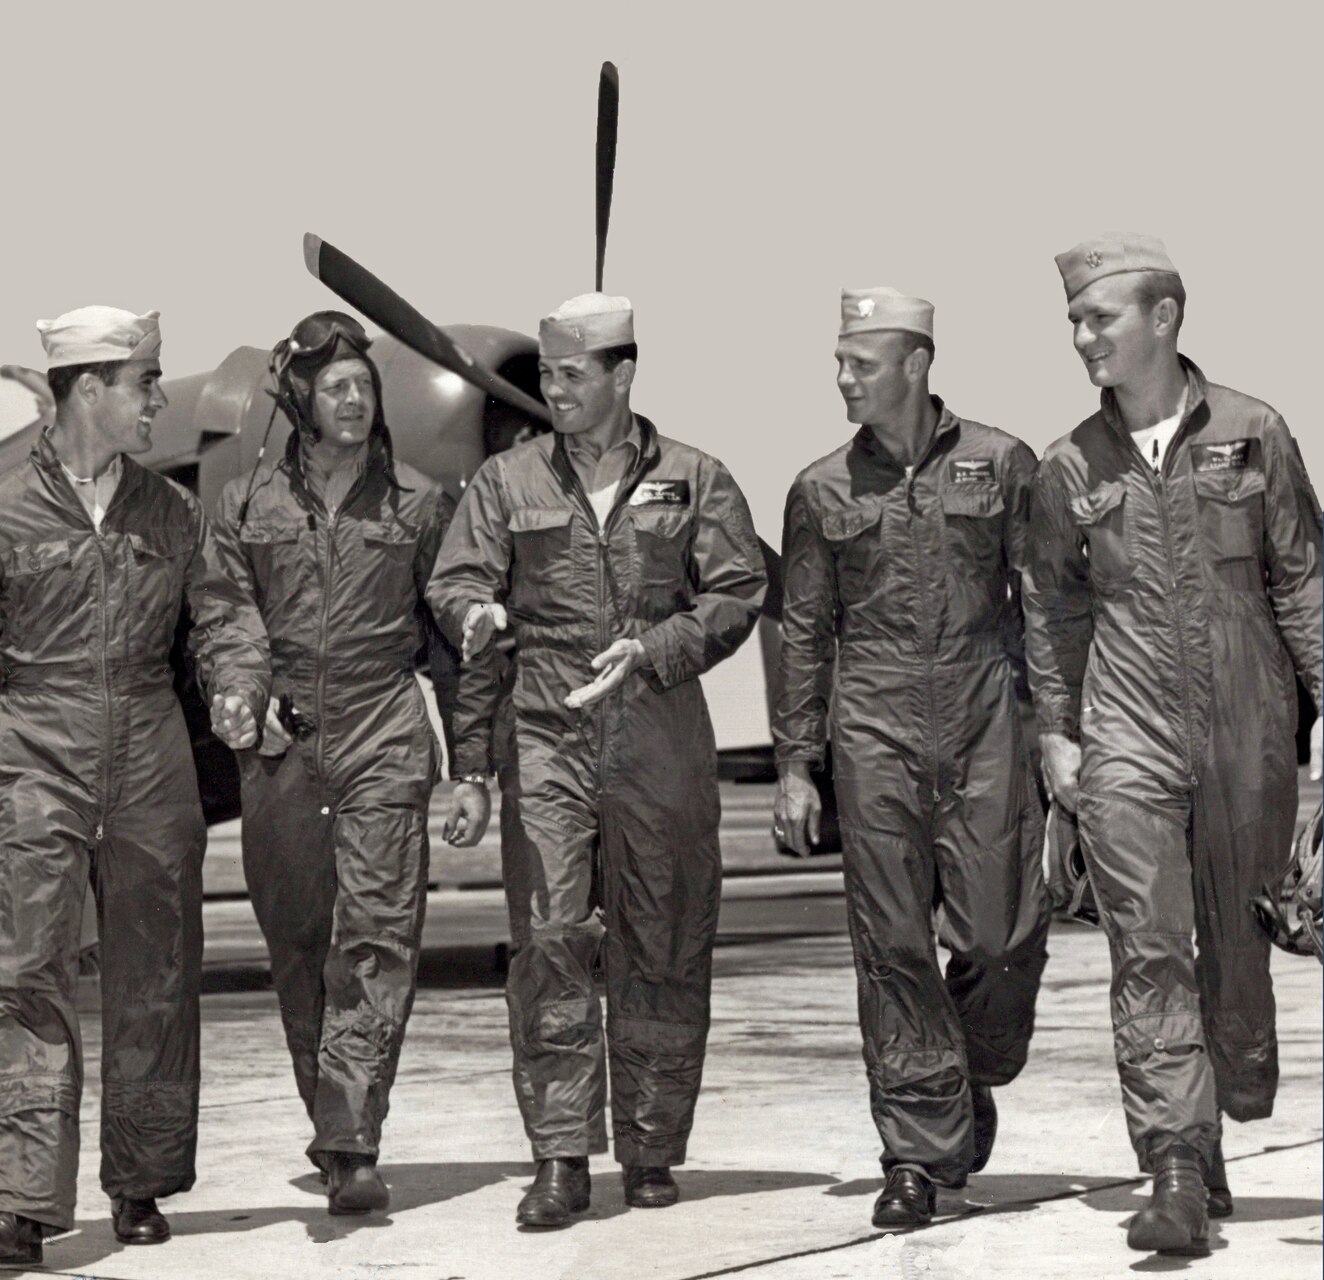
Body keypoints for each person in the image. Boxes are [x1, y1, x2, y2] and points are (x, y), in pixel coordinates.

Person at [428, 293, 766, 1228]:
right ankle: (563, 1157)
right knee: (550, 941)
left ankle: (653, 1151)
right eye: (546, 375)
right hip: (547, 738)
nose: (554, 391)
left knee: (664, 937)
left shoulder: (695, 477)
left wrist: (657, 649)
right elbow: (457, 577)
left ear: (622, 375)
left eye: (573, 375)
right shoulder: (507, 482)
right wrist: (476, 614)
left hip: (659, 737)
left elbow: (738, 593)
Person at [1023, 235, 1322, 1256]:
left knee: (1235, 945)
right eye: (1073, 320)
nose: (1081, 336)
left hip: (1250, 716)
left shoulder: (1254, 431)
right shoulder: (1069, 463)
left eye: (1098, 317)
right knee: (1147, 945)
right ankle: (1175, 1163)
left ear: (1163, 317)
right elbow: (1052, 611)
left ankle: (1222, 1103)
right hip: (1127, 716)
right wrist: (1057, 736)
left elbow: (1301, 582)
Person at [772, 286, 1048, 1227]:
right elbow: (805, 630)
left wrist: (1058, 730)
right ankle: (917, 1157)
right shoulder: (819, 490)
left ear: (917, 364)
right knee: (892, 949)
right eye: (840, 361)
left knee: (998, 941)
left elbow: (1045, 608)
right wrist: (797, 762)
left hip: (986, 718)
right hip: (875, 726)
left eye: (860, 362)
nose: (842, 376)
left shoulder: (1004, 464)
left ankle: (973, 1072)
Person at [0, 307, 268, 1265]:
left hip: (152, 749)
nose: (159, 397)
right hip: (34, 743)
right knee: (25, 972)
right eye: (144, 381)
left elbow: (224, 614)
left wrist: (238, 687)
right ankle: (24, 1198)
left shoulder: (171, 511)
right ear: (86, 390)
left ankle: (143, 1181)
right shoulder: (3, 504)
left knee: (155, 969)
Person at [211, 311, 491, 1216]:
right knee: (298, 945)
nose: (354, 398)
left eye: (364, 385)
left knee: (375, 940)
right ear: (298, 396)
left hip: (383, 729)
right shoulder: (244, 508)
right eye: (334, 385)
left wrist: (471, 765)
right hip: (281, 740)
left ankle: (351, 1139)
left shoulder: (417, 503)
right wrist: (245, 691)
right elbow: (225, 617)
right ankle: (332, 1118)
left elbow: (449, 647)